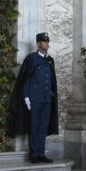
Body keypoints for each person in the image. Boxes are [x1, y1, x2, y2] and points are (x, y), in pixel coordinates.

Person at [8, 32, 59, 163]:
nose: (47, 43)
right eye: (44, 41)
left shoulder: (50, 60)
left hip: (47, 100)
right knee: (34, 127)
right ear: (38, 44)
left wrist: (52, 96)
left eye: (47, 41)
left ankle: (41, 153)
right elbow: (25, 79)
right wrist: (26, 97)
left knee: (43, 127)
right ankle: (34, 154)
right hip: (34, 99)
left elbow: (51, 80)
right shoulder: (31, 58)